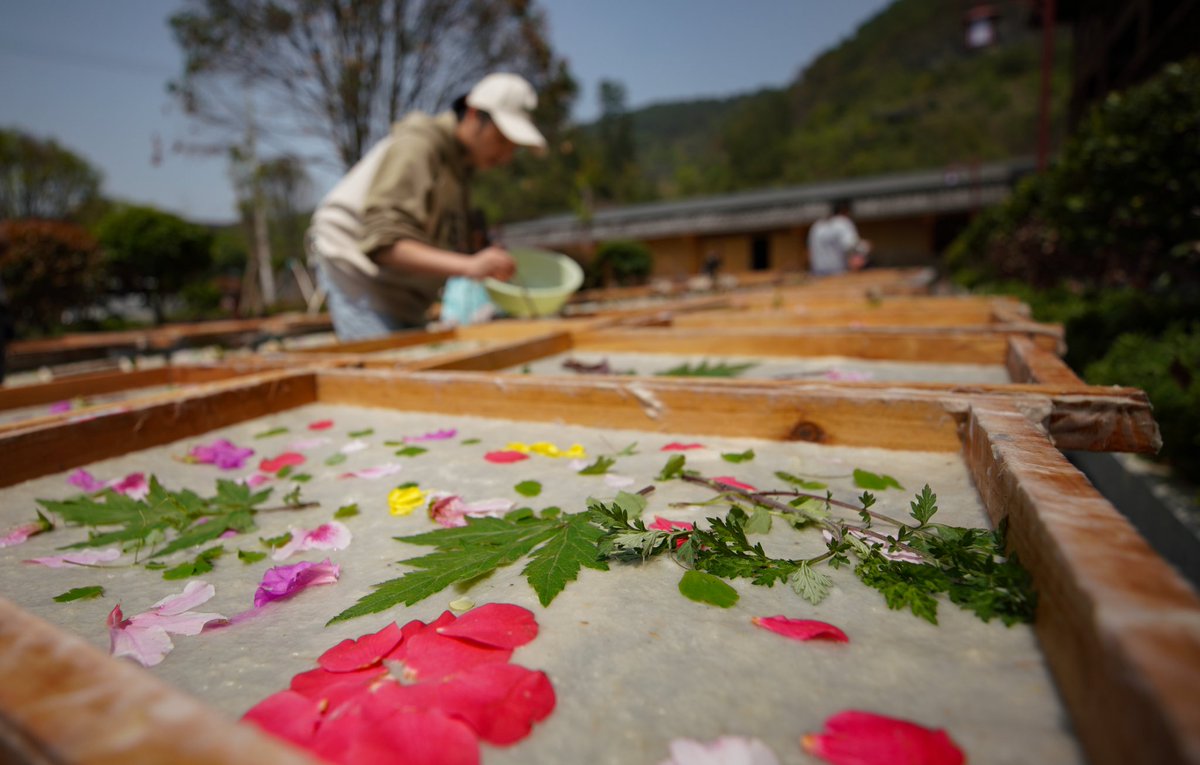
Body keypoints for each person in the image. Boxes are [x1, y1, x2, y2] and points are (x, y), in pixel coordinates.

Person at [307, 73, 546, 340]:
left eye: (513, 148)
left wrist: (480, 255)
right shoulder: (419, 145)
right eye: (501, 140)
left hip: (401, 292)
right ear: (473, 115)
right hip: (357, 275)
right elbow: (383, 244)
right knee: (392, 375)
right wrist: (469, 265)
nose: (505, 156)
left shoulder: (460, 169)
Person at [806, 199, 871, 276]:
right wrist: (865, 246)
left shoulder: (816, 226)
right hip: (837, 274)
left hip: (817, 274)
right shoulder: (843, 222)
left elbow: (809, 252)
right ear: (846, 211)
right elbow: (852, 247)